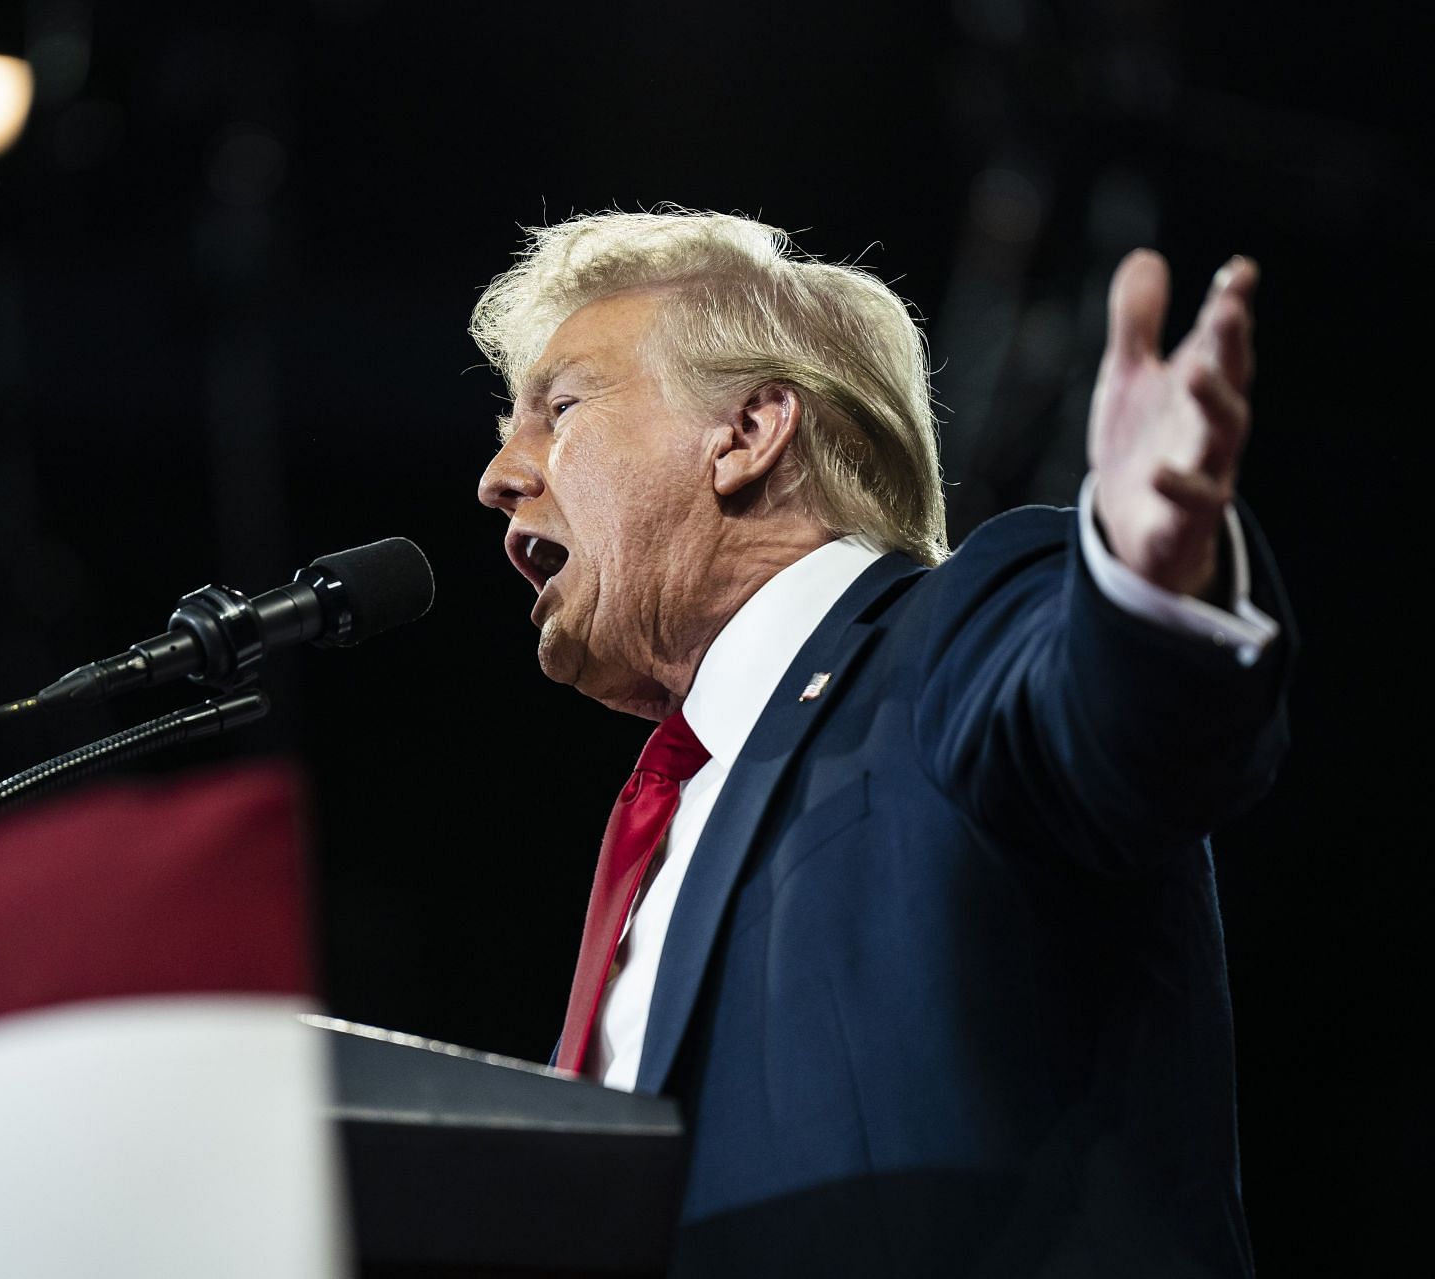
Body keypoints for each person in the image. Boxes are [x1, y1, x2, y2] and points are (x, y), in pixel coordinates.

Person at [471, 209, 1292, 1277]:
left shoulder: (952, 636)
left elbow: (1120, 725)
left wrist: (1146, 583)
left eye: (560, 407)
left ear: (749, 431)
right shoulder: (671, 816)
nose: (500, 474)